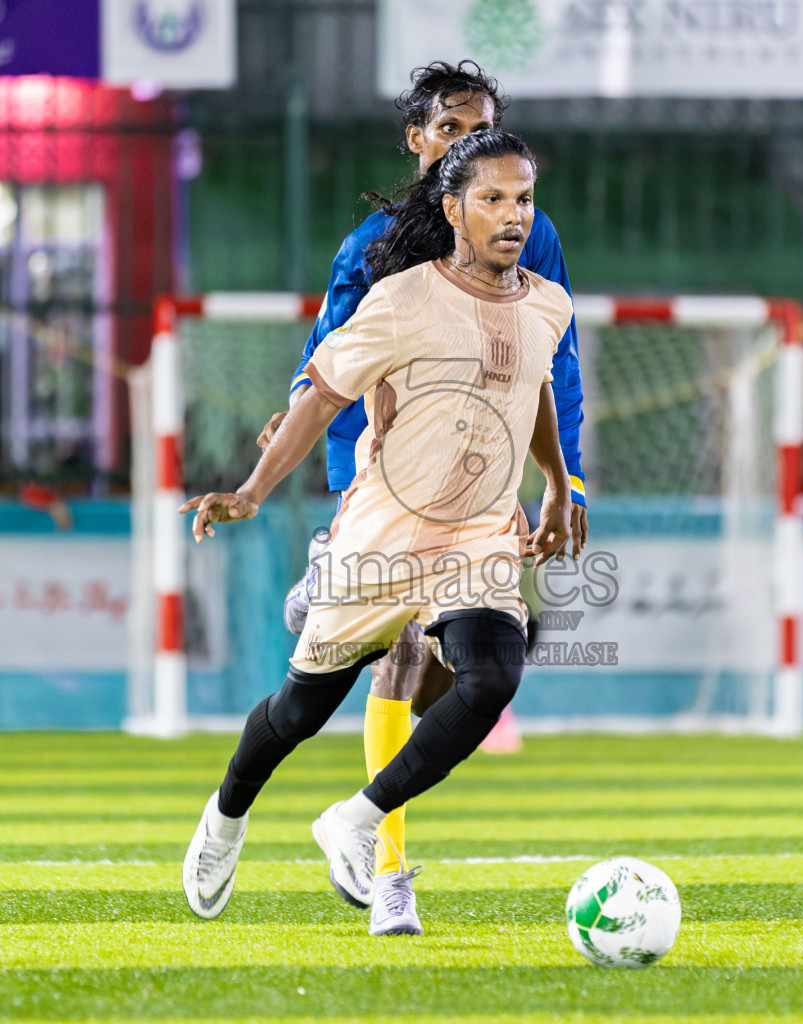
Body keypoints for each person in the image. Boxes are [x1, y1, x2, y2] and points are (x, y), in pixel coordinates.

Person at [178, 129, 573, 929]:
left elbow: (534, 391)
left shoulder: (548, 303)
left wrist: (559, 485)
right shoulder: (402, 299)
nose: (512, 216)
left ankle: (354, 821)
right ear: (454, 209)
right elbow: (321, 394)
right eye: (492, 199)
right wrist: (254, 489)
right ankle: (224, 818)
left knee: (493, 675)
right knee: (300, 710)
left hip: (479, 534)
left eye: (523, 199)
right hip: (385, 534)